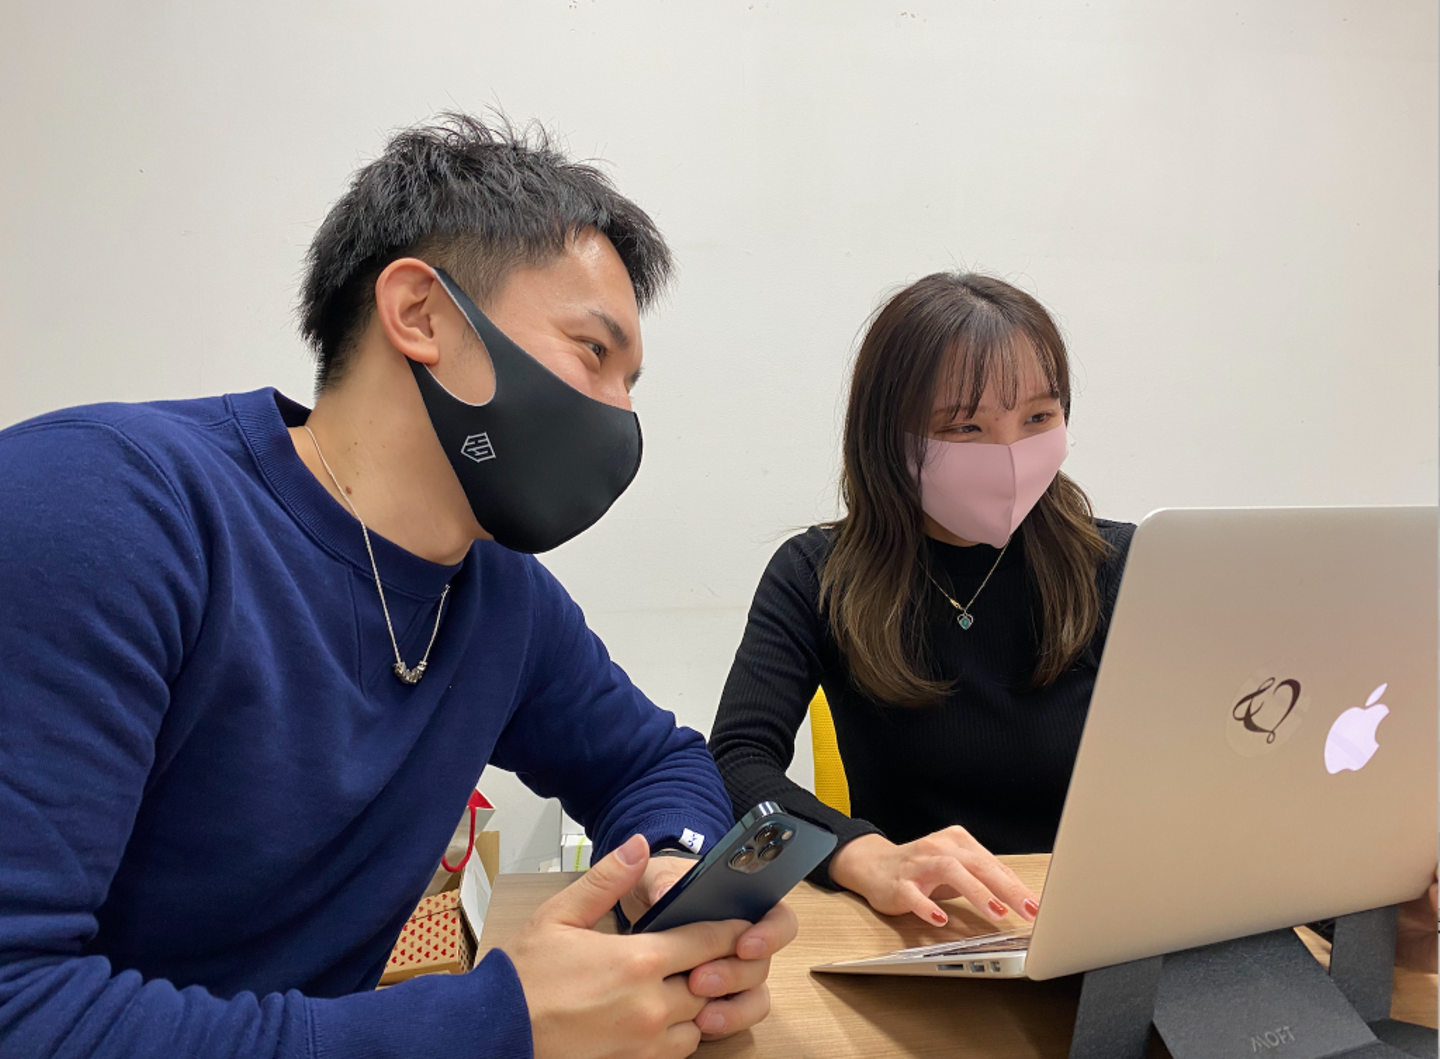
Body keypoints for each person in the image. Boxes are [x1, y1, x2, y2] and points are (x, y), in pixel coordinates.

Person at [0, 114, 795, 1059]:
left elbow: (655, 762)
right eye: (594, 351)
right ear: (420, 314)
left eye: (632, 381)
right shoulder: (102, 507)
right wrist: (496, 1025)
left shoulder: (501, 596)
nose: (621, 417)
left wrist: (674, 871)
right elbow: (19, 1006)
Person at [707, 272, 1438, 973]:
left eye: (1038, 418)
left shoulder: (1129, 565)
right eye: (965, 426)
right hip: (931, 934)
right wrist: (862, 854)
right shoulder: (818, 573)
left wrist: (1367, 917)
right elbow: (738, 759)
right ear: (886, 436)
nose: (1010, 454)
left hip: (1124, 938)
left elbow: (1235, 776)